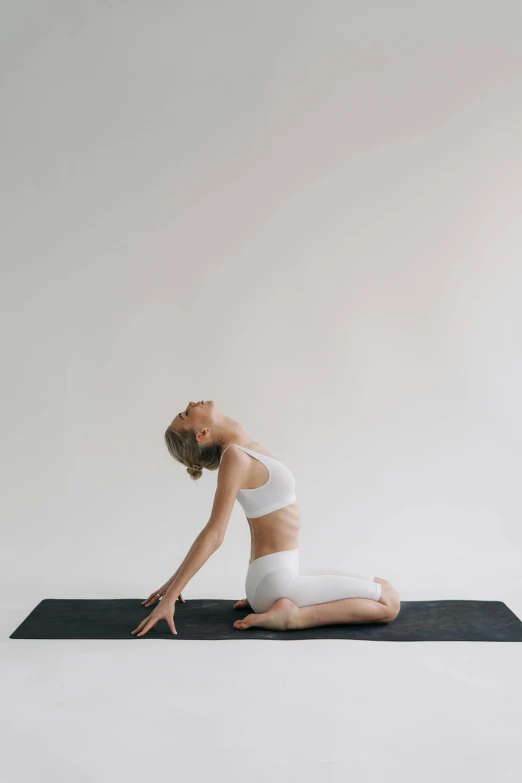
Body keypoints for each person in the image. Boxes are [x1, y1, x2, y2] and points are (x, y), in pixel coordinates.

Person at [137, 399, 400, 635]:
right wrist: (171, 596)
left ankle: (273, 604)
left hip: (275, 578)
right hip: (278, 583)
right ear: (203, 433)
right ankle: (294, 617)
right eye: (186, 413)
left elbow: (210, 531)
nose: (191, 403)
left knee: (381, 585)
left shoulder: (242, 450)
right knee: (389, 603)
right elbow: (214, 533)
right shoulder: (236, 457)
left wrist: (172, 583)